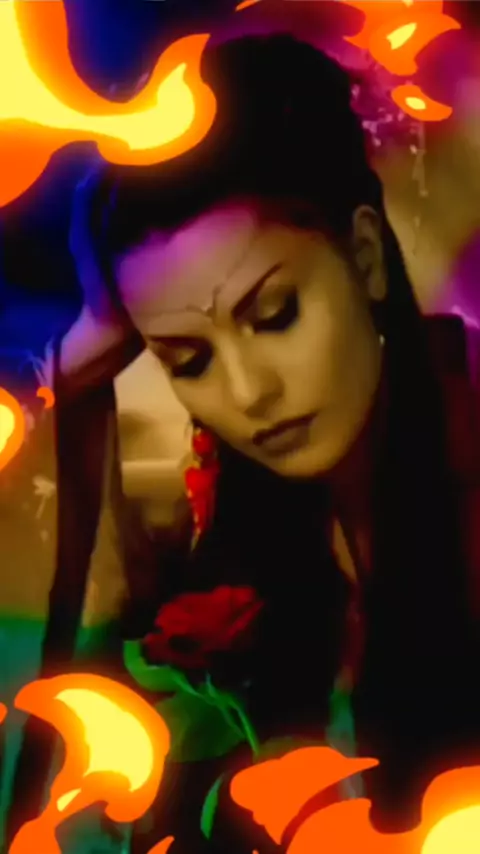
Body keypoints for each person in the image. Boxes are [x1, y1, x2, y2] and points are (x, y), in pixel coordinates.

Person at [64, 32, 480, 852]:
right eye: (190, 361)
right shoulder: (243, 525)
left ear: (365, 256)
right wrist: (84, 362)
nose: (250, 393)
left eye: (276, 315)